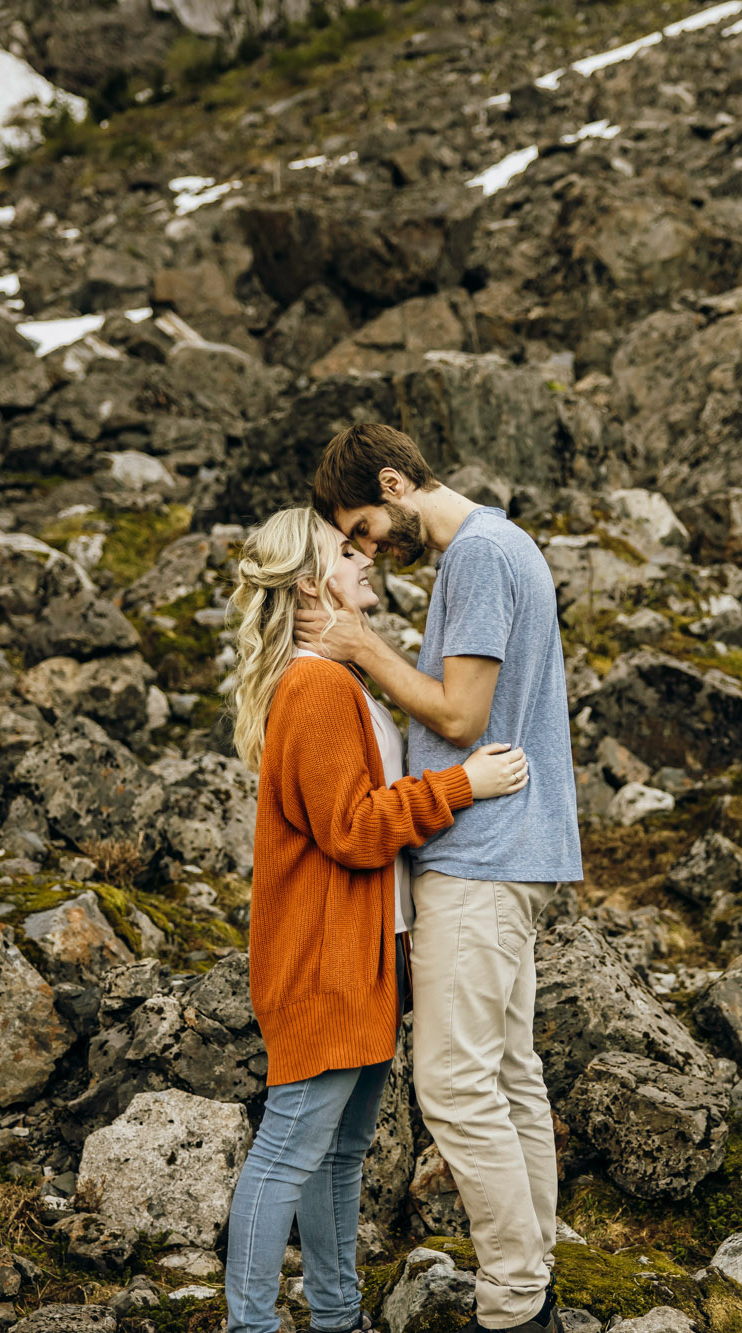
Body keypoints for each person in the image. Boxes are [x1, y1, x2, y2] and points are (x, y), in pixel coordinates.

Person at [298, 423, 583, 1333]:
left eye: (365, 527)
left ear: (394, 482)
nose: (372, 548)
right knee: (507, 1074)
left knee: (455, 1087)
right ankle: (534, 1279)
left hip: (481, 855)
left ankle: (513, 1303)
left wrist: (357, 647)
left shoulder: (477, 558)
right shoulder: (502, 546)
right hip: (512, 854)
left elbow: (461, 714)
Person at [223, 506, 531, 1333]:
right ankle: (250, 1325)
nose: (364, 559)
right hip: (324, 959)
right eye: (344, 551)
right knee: (289, 1152)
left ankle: (336, 1314)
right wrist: (464, 785)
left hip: (364, 953)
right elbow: (355, 832)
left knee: (338, 1155)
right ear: (308, 584)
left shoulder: (340, 679)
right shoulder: (317, 685)